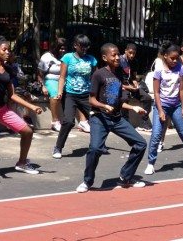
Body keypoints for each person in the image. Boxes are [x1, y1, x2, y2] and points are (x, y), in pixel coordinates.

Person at [76, 43, 147, 193]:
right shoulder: (99, 74)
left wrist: (133, 107)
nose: (117, 57)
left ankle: (125, 177)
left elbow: (120, 102)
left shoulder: (120, 73)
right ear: (104, 57)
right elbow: (91, 100)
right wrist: (103, 106)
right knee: (95, 148)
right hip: (99, 118)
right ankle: (87, 181)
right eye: (113, 55)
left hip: (116, 118)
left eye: (118, 54)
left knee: (140, 144)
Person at [0, 36, 43, 174]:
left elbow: (12, 95)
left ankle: (22, 163)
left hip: (2, 110)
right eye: (4, 49)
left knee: (27, 132)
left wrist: (32, 106)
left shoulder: (9, 70)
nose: (7, 52)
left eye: (9, 50)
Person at [144, 42, 183, 175]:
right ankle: (151, 163)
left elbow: (181, 89)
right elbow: (156, 92)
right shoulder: (158, 71)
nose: (175, 61)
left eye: (176, 58)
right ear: (165, 56)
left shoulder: (180, 69)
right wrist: (161, 110)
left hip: (176, 106)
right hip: (161, 105)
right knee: (156, 134)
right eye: (172, 58)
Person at [52, 34, 98, 159]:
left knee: (98, 119)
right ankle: (58, 147)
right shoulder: (67, 58)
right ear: (75, 46)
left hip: (86, 96)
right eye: (82, 46)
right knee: (68, 121)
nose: (84, 49)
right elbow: (62, 77)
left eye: (86, 46)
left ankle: (98, 145)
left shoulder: (91, 59)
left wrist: (97, 95)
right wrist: (59, 92)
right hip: (71, 95)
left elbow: (96, 77)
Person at [119, 43, 153, 131]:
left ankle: (143, 122)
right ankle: (125, 121)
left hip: (131, 86)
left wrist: (135, 84)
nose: (132, 55)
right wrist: (127, 87)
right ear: (125, 51)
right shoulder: (119, 61)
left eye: (133, 53)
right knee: (124, 98)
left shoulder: (134, 61)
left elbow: (133, 77)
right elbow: (115, 79)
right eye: (130, 53)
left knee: (147, 98)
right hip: (121, 86)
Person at [38, 38, 67, 132]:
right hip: (50, 80)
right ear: (55, 48)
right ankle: (55, 121)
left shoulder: (66, 57)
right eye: (60, 48)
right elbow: (40, 73)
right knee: (55, 95)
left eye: (64, 48)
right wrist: (43, 86)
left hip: (64, 80)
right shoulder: (47, 57)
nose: (62, 50)